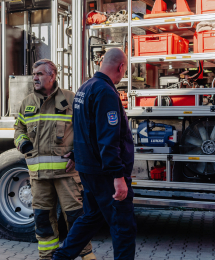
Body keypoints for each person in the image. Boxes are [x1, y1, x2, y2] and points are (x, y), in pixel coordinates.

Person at [53, 48, 137, 260]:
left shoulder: (85, 88)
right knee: (123, 227)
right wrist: (118, 177)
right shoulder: (106, 92)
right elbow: (108, 138)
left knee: (92, 217)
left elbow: (83, 129)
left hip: (89, 169)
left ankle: (61, 257)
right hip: (105, 173)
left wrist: (75, 154)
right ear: (121, 67)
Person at [14, 59, 96, 260]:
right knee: (42, 219)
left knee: (76, 217)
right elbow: (19, 129)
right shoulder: (27, 103)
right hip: (38, 175)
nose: (35, 77)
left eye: (40, 74)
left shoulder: (70, 99)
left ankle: (86, 255)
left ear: (52, 76)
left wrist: (78, 154)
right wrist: (23, 143)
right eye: (34, 74)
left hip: (66, 174)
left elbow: (86, 130)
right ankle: (47, 257)